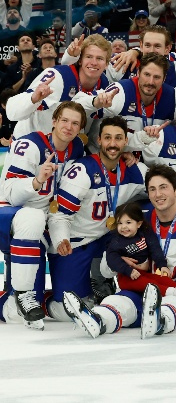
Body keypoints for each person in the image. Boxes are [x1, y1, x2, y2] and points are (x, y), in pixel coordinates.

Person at [62, 164, 176, 337]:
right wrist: (119, 263)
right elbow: (105, 271)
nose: (158, 194)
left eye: (163, 187)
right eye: (152, 189)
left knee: (173, 304)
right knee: (117, 301)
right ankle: (98, 320)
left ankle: (160, 320)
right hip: (142, 286)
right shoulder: (136, 222)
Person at [47, 116, 149, 320]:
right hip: (77, 241)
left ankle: (117, 283)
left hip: (108, 237)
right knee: (68, 310)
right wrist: (61, 239)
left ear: (126, 141)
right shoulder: (83, 170)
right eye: (108, 137)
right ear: (99, 140)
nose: (113, 143)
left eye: (118, 138)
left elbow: (162, 193)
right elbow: (60, 214)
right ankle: (43, 299)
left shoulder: (135, 170)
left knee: (152, 211)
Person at [0, 101, 87, 330]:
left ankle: (42, 301)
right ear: (54, 121)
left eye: (75, 123)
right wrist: (36, 181)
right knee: (33, 217)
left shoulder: (76, 148)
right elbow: (10, 193)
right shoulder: (30, 145)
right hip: (10, 214)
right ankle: (22, 294)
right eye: (64, 120)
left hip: (44, 221)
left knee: (24, 315)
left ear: (80, 129)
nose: (68, 127)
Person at [6, 34, 112, 141]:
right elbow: (12, 111)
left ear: (107, 64)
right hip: (29, 143)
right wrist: (32, 99)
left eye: (99, 58)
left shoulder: (104, 85)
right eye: (89, 57)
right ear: (80, 60)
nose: (94, 63)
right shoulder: (57, 76)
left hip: (63, 147)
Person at [105, 202, 176, 305]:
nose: (123, 227)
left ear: (139, 224)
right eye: (120, 223)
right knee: (151, 284)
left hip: (143, 273)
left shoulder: (144, 232)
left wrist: (162, 265)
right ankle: (174, 293)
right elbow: (112, 259)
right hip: (127, 277)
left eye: (128, 222)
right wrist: (128, 270)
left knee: (160, 279)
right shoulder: (116, 241)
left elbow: (155, 248)